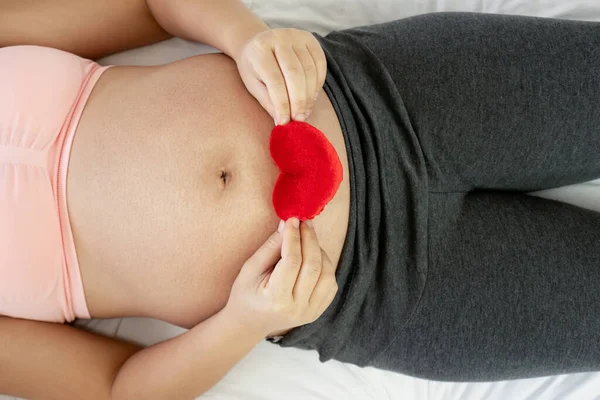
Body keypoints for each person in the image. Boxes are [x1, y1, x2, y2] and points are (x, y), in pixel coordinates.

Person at [2, 0, 600, 398]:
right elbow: (117, 391)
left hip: (393, 93)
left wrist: (246, 40)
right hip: (378, 297)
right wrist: (246, 321)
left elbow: (150, 4)